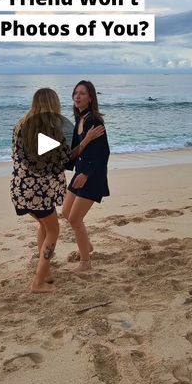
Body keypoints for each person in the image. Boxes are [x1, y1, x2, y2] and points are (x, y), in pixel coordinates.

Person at [10, 88, 104, 293]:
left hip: (20, 190)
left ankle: (46, 273)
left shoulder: (21, 124)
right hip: (39, 193)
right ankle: (38, 282)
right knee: (53, 231)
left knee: (44, 227)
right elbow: (65, 157)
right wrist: (86, 140)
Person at [62, 80, 110, 272]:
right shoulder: (79, 121)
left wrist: (87, 174)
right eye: (75, 93)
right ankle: (87, 246)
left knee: (74, 219)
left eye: (82, 93)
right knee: (66, 212)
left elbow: (103, 152)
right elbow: (73, 152)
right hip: (80, 173)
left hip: (92, 175)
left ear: (90, 98)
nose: (77, 96)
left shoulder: (94, 120)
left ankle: (85, 262)